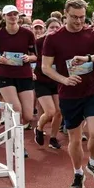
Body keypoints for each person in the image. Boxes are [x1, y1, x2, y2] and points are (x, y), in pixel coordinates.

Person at [41, 0, 94, 188]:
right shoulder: (53, 38)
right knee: (74, 139)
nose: (78, 21)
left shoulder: (93, 34)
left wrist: (89, 58)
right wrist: (64, 80)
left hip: (92, 91)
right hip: (68, 94)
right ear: (65, 14)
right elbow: (45, 67)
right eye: (74, 17)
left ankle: (93, 162)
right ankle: (78, 172)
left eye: (82, 17)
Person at [0, 5, 38, 139]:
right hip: (5, 76)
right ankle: (17, 142)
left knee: (28, 115)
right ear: (4, 17)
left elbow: (35, 56)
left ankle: (11, 124)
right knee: (17, 109)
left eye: (15, 14)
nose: (12, 17)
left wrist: (29, 58)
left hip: (24, 75)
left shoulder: (27, 34)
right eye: (9, 14)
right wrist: (0, 59)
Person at [33, 19, 64, 150]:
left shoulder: (64, 43)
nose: (55, 29)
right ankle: (39, 128)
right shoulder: (39, 42)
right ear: (46, 28)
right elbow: (29, 56)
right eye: (52, 27)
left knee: (59, 111)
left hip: (57, 81)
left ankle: (53, 137)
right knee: (50, 111)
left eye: (57, 27)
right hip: (41, 80)